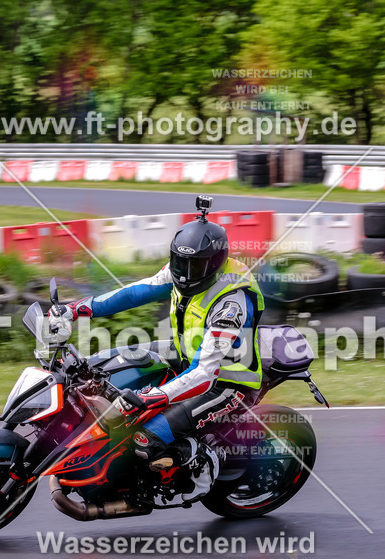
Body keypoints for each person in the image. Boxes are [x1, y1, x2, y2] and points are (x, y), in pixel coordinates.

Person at [50, 197, 265, 505]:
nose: (185, 273)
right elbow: (136, 291)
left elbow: (204, 374)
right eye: (180, 263)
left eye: (195, 265)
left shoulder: (231, 304)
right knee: (105, 371)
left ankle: (201, 470)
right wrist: (77, 309)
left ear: (216, 262)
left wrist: (154, 397)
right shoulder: (184, 272)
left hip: (227, 382)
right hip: (184, 357)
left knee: (144, 439)